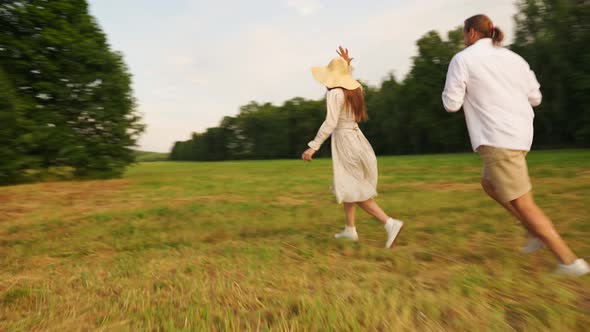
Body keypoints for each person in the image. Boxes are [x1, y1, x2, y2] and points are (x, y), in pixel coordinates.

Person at [442, 14, 589, 276]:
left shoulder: (462, 60)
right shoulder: (514, 58)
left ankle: (569, 262)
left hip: (497, 137)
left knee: (524, 204)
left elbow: (451, 104)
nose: (463, 39)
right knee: (489, 184)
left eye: (464, 34)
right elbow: (536, 98)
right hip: (521, 134)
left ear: (472, 34)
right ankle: (534, 233)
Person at [302, 47, 403, 248]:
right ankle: (350, 230)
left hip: (345, 143)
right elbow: (347, 80)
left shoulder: (334, 94)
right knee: (347, 185)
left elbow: (330, 123)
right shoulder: (355, 90)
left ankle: (390, 223)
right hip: (357, 140)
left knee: (353, 189)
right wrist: (347, 65)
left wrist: (313, 146)